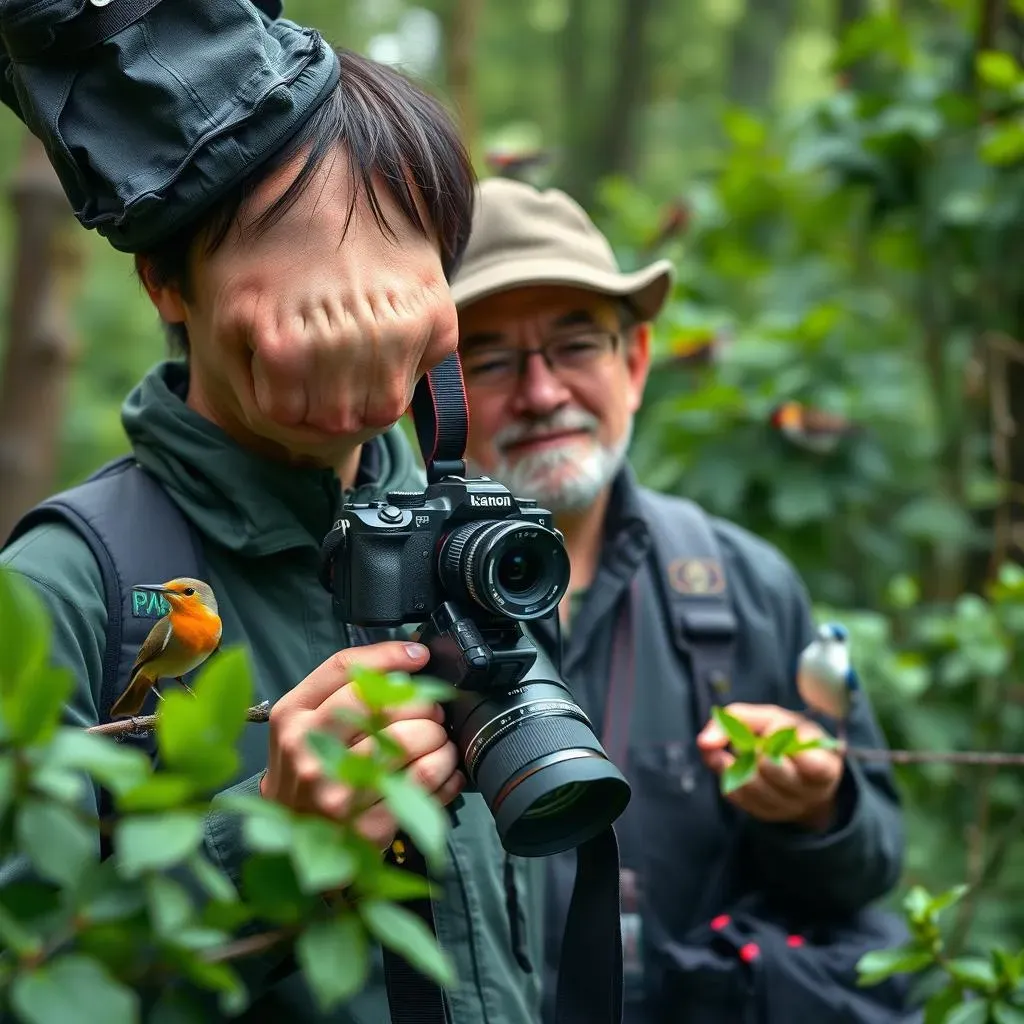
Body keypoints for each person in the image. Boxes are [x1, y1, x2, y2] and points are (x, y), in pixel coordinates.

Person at [0, 40, 546, 1024]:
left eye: (391, 245)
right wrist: (265, 843)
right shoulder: (61, 586)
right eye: (294, 241)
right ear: (168, 282)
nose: (349, 309)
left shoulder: (469, 558)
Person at [449, 177, 913, 1024]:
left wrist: (819, 810)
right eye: (490, 360)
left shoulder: (745, 585)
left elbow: (874, 865)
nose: (543, 392)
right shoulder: (389, 603)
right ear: (436, 394)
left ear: (634, 362)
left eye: (575, 346)